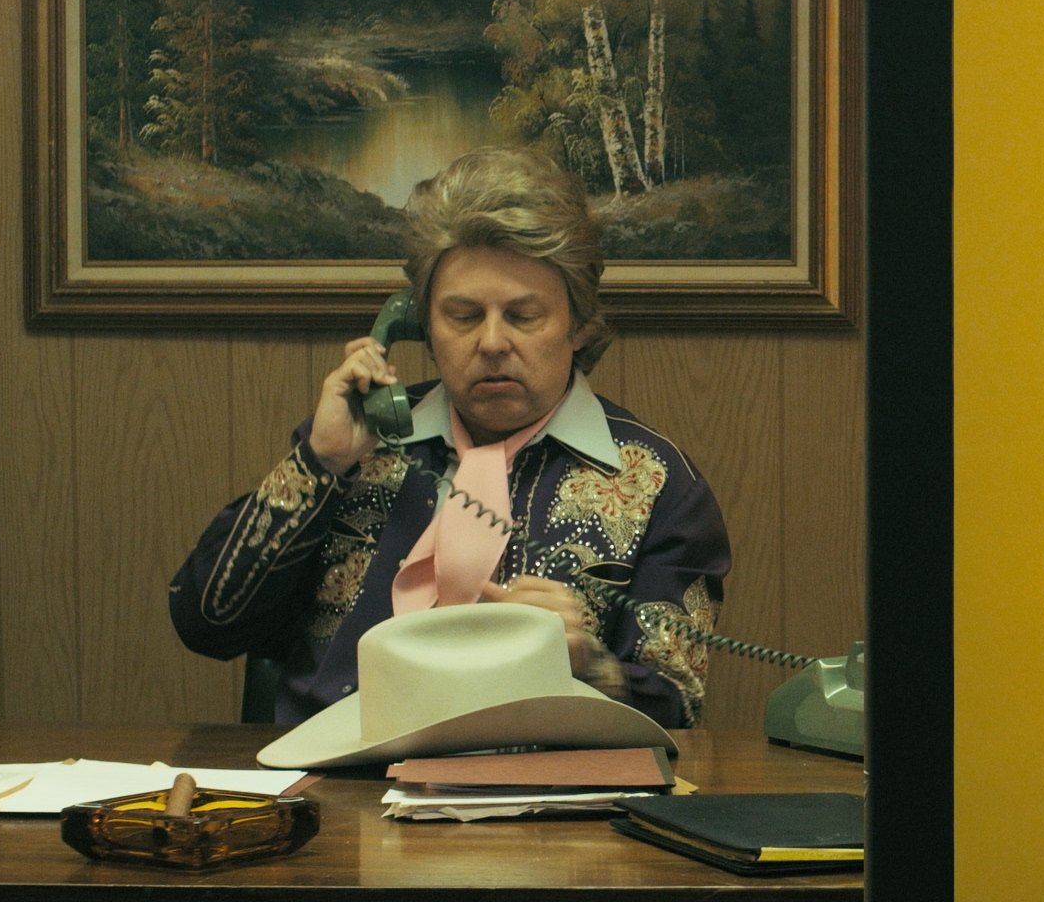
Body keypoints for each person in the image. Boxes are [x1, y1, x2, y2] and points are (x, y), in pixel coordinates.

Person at [171, 146, 730, 729]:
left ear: (580, 326)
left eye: (523, 316)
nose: (491, 343)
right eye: (463, 316)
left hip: (539, 779)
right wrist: (319, 463)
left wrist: (587, 665)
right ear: (420, 325)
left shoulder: (656, 482)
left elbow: (679, 706)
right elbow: (205, 623)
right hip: (330, 768)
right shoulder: (358, 445)